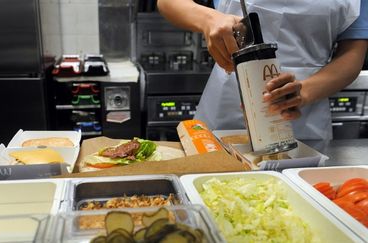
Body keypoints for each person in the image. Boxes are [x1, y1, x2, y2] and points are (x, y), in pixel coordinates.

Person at [157, 0, 368, 150]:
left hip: (304, 109)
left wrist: (303, 92)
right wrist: (208, 19)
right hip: (228, 102)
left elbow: (351, 55)